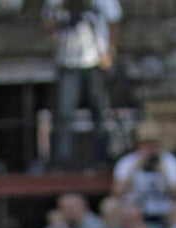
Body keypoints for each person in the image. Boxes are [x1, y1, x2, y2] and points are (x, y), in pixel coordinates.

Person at [41, 0, 121, 170]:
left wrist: (110, 51)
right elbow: (46, 27)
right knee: (64, 113)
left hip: (95, 60)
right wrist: (63, 14)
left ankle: (103, 157)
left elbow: (114, 22)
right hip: (67, 62)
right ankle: (62, 160)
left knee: (100, 111)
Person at [111, 121, 176, 228]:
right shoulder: (127, 162)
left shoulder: (170, 162)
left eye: (154, 146)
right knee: (110, 205)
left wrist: (163, 173)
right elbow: (117, 193)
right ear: (138, 145)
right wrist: (135, 168)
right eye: (146, 146)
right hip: (133, 209)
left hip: (164, 209)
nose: (150, 150)